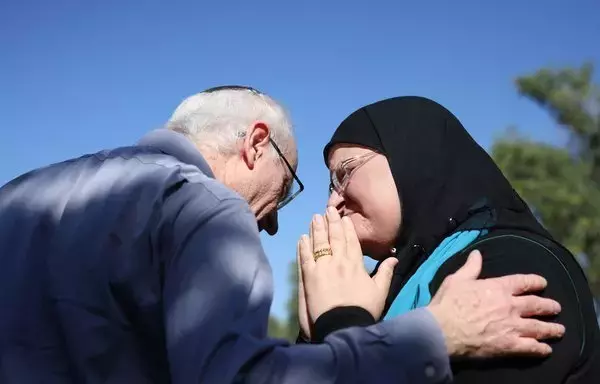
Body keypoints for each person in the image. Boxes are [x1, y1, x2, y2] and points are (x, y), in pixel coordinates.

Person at [0, 87, 564, 383]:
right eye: (295, 186)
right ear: (255, 144)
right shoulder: (200, 208)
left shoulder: (19, 194)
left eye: (343, 175)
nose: (272, 223)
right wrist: (429, 337)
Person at [299, 95, 600, 383]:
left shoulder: (509, 264)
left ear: (412, 158)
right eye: (330, 186)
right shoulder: (387, 289)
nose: (332, 203)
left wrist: (341, 323)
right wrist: (315, 339)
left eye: (345, 173)